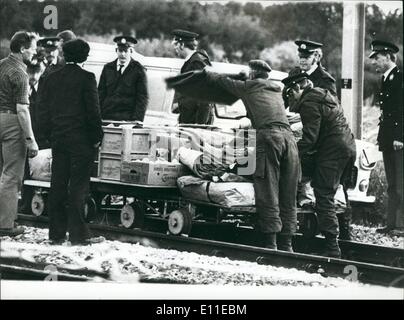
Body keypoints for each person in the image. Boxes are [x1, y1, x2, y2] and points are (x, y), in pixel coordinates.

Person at [203, 60, 300, 251]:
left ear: (253, 74)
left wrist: (208, 71)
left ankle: (271, 243)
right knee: (288, 192)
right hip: (289, 140)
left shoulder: (250, 86)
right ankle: (287, 244)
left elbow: (222, 81)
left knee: (267, 187)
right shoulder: (276, 89)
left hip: (268, 138)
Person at [37, 39, 104, 245]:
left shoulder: (51, 78)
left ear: (65, 55)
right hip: (81, 141)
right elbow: (93, 112)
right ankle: (78, 235)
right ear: (84, 57)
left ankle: (56, 234)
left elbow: (43, 110)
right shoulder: (87, 78)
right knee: (78, 187)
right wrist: (96, 138)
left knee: (57, 185)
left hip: (59, 139)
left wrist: (49, 135)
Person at [282, 73, 356, 257]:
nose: (291, 101)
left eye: (290, 96)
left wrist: (290, 153)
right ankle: (344, 237)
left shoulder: (309, 103)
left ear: (298, 89)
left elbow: (309, 139)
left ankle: (332, 248)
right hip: (346, 147)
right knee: (336, 191)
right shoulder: (322, 95)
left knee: (323, 194)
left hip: (333, 151)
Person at [0, 31, 39, 236]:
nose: (34, 52)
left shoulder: (1, 65)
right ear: (23, 49)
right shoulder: (20, 73)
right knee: (11, 175)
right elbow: (23, 110)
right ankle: (5, 225)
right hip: (12, 122)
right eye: (32, 48)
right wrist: (31, 140)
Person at [369, 40, 403, 236]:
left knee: (401, 182)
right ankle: (392, 224)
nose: (374, 62)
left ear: (390, 57)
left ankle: (400, 225)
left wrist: (400, 137)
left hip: (398, 140)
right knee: (393, 183)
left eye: (378, 58)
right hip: (389, 139)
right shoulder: (386, 79)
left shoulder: (399, 78)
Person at [98, 35, 148, 121]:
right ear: (116, 50)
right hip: (106, 118)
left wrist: (136, 122)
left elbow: (142, 98)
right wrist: (97, 116)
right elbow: (100, 94)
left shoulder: (138, 70)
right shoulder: (107, 68)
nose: (123, 54)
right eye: (120, 51)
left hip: (127, 120)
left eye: (126, 51)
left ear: (131, 51)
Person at [172, 29, 215, 124]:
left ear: (182, 45)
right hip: (189, 121)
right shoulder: (193, 62)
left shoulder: (197, 63)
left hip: (195, 126)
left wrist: (200, 126)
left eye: (176, 44)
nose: (175, 48)